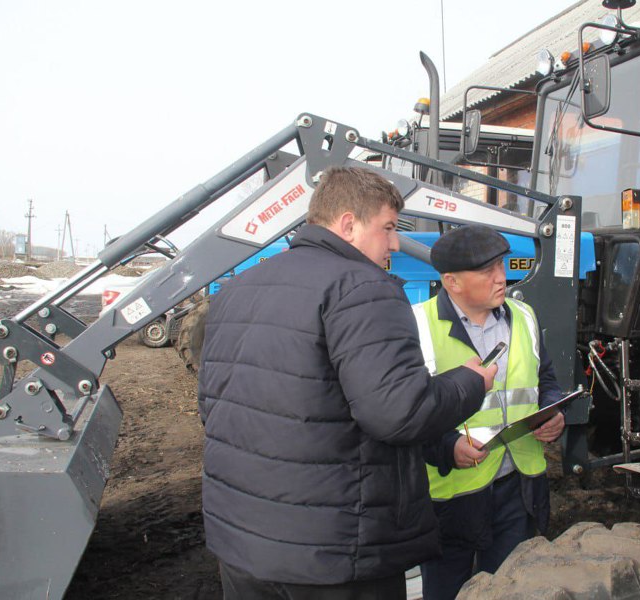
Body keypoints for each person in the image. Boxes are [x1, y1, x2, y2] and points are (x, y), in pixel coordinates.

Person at [197, 166, 496, 599]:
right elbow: (397, 413)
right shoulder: (362, 287)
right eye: (389, 228)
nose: (395, 243)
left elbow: (217, 405)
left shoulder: (237, 289)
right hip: (334, 553)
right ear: (348, 225)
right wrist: (469, 383)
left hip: (244, 544)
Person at [413, 225, 566, 600]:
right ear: (452, 282)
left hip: (519, 488)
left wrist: (552, 412)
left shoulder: (524, 316)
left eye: (501, 265)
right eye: (487, 271)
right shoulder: (417, 326)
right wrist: (447, 448)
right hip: (453, 499)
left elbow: (545, 379)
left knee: (510, 590)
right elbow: (407, 414)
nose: (502, 277)